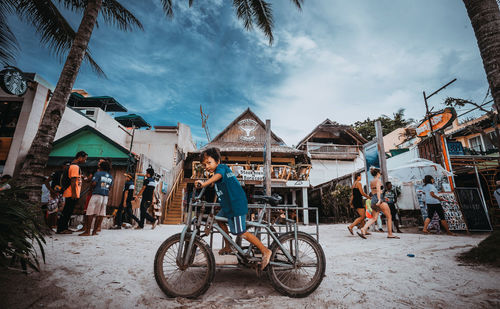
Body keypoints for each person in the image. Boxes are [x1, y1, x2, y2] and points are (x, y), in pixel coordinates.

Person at [195, 147, 272, 270]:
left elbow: (218, 175)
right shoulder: (217, 173)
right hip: (228, 206)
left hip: (235, 204)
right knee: (219, 219)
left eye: (209, 163)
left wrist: (204, 183)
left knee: (240, 232)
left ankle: (265, 250)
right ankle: (228, 245)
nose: (207, 166)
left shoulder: (221, 168)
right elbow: (218, 181)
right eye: (204, 165)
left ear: (217, 161)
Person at [357, 168, 399, 239]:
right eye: (380, 173)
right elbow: (378, 191)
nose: (380, 174)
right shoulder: (378, 181)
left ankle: (363, 229)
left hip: (373, 199)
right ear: (378, 173)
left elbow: (374, 191)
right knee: (389, 216)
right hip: (379, 199)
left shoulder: (371, 181)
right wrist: (379, 200)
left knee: (374, 218)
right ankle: (390, 234)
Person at [56, 151, 87, 234]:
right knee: (66, 211)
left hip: (72, 192)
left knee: (68, 211)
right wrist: (73, 193)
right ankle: (61, 229)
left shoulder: (75, 167)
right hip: (70, 193)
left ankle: (64, 227)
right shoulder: (74, 167)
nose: (85, 161)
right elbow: (73, 180)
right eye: (85, 159)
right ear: (80, 157)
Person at [79, 160, 113, 236]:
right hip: (105, 196)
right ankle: (94, 231)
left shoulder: (98, 173)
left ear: (101, 167)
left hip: (96, 194)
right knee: (101, 214)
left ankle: (87, 231)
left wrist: (91, 187)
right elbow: (110, 187)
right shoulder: (110, 176)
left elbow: (94, 183)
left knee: (90, 212)